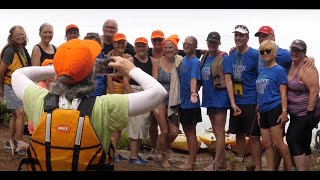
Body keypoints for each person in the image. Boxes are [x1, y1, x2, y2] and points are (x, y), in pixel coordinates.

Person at [11, 39, 167, 171]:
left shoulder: (39, 99)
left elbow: (18, 74)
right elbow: (158, 92)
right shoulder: (104, 107)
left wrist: (61, 68)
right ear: (91, 74)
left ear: (57, 72)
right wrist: (130, 68)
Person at [225, 25, 262, 171]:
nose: (238, 38)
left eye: (242, 36)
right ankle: (240, 157)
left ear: (247, 37)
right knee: (238, 133)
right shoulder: (232, 54)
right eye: (236, 35)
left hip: (251, 100)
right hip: (236, 100)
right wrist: (232, 102)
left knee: (253, 135)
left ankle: (255, 162)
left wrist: (260, 101)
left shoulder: (254, 54)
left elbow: (261, 76)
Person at [256, 40, 294, 171]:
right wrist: (258, 109)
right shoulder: (261, 70)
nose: (265, 53)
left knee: (278, 143)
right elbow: (260, 91)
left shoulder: (279, 70)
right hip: (263, 110)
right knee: (266, 144)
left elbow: (283, 93)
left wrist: (284, 112)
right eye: (262, 51)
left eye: (268, 51)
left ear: (274, 53)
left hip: (275, 108)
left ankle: (290, 167)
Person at [286, 39, 320, 171]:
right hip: (296, 113)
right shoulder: (292, 63)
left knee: (292, 139)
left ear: (304, 53)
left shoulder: (307, 67)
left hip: (307, 112)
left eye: (298, 50)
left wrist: (309, 113)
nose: (294, 52)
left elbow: (314, 91)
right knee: (304, 142)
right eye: (292, 49)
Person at [201, 31, 230, 171]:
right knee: (216, 131)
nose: (212, 44)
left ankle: (216, 164)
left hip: (220, 99)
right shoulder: (205, 56)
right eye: (210, 41)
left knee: (219, 132)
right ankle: (223, 163)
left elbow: (228, 79)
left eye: (214, 42)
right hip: (208, 98)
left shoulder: (224, 57)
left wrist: (233, 102)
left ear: (219, 43)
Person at [0, 25, 30, 156]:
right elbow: (1, 72)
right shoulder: (10, 51)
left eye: (22, 33)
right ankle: (20, 143)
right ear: (12, 37)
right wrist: (0, 89)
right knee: (21, 112)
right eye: (17, 34)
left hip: (19, 85)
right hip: (10, 85)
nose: (20, 36)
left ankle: (11, 141)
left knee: (15, 114)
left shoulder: (23, 50)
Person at [152, 35, 181, 168]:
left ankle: (162, 149)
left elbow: (195, 54)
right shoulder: (157, 62)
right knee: (164, 131)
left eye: (171, 47)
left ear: (176, 49)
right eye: (166, 47)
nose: (168, 49)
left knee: (174, 132)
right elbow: (153, 83)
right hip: (159, 98)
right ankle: (164, 158)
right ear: (163, 48)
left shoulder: (179, 62)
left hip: (174, 99)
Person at [126, 37, 156, 165]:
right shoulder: (131, 60)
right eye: (138, 46)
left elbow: (154, 80)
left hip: (147, 93)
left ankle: (136, 155)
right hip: (134, 92)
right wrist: (133, 96)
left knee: (143, 126)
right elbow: (125, 81)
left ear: (147, 46)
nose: (140, 48)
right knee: (134, 126)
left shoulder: (153, 61)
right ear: (134, 47)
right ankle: (133, 156)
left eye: (143, 46)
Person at [106, 32, 132, 162]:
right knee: (113, 124)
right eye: (118, 42)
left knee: (119, 123)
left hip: (123, 89)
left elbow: (127, 76)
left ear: (126, 43)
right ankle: (112, 152)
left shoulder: (129, 58)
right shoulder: (108, 57)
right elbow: (108, 78)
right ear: (114, 43)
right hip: (112, 90)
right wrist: (112, 95)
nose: (121, 44)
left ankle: (114, 150)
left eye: (123, 42)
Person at [177, 36, 202, 170]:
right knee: (187, 132)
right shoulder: (184, 59)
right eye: (184, 44)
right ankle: (191, 161)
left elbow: (194, 78)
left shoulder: (194, 62)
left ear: (194, 47)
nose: (186, 46)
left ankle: (191, 163)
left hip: (191, 102)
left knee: (190, 132)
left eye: (189, 44)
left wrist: (194, 92)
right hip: (183, 102)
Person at [27, 59, 54, 135]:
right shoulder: (39, 87)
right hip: (38, 125)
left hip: (43, 124)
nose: (53, 75)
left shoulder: (51, 87)